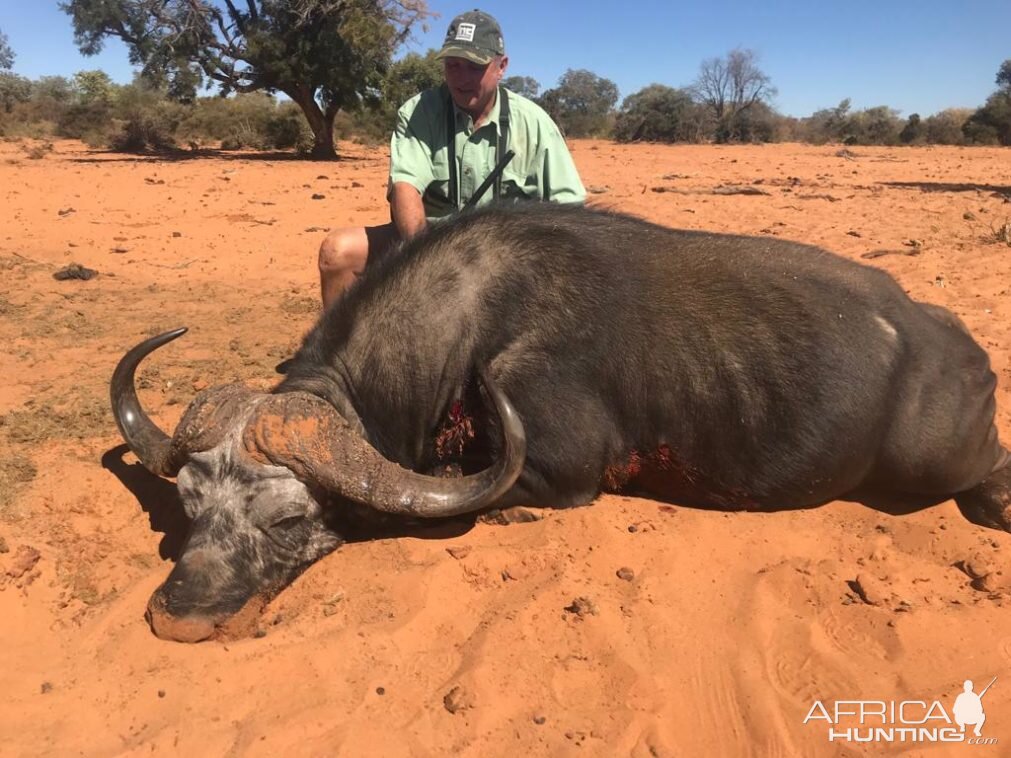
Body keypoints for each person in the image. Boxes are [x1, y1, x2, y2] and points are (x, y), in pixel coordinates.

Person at [316, 9, 586, 308]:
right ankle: (338, 355)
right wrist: (427, 260)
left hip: (509, 251)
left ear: (501, 66)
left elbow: (570, 213)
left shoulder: (534, 123)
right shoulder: (419, 111)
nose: (461, 78)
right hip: (426, 242)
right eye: (453, 65)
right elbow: (405, 188)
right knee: (337, 252)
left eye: (474, 66)